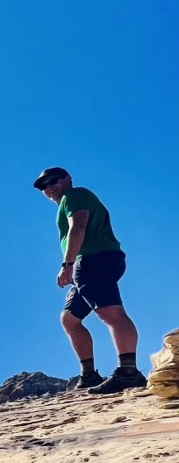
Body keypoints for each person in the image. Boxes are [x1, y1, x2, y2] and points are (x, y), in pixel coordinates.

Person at [33, 167, 147, 394]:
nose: (49, 188)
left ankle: (128, 372)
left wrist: (67, 264)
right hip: (88, 262)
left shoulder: (74, 195)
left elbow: (79, 226)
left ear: (67, 179)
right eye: (43, 186)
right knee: (69, 319)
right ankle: (89, 375)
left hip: (93, 259)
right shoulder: (68, 201)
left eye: (53, 181)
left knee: (110, 312)